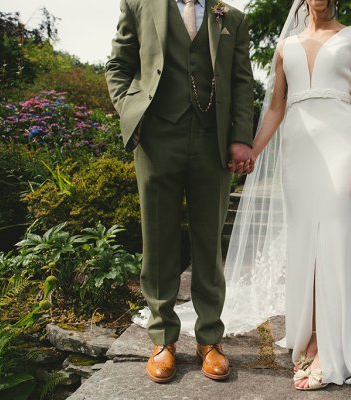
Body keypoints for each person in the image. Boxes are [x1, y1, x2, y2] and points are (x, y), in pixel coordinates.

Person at [105, 0, 254, 383]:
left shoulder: (231, 17)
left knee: (208, 242)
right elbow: (118, 65)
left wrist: (240, 136)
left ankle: (209, 340)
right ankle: (162, 340)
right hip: (157, 138)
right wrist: (130, 112)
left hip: (212, 141)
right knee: (158, 241)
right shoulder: (139, 5)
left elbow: (241, 81)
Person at [243, 0, 351, 391]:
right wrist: (253, 150)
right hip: (297, 148)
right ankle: (311, 336)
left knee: (336, 237)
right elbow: (276, 107)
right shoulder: (286, 46)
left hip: (340, 143)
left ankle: (331, 348)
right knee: (304, 241)